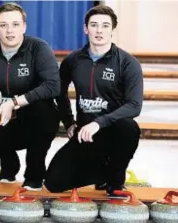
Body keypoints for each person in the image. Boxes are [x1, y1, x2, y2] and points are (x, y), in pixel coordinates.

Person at [44, 5, 143, 196]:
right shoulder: (73, 60)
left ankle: (115, 178)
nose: (99, 30)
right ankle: (102, 173)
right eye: (94, 25)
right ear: (85, 28)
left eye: (105, 26)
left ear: (113, 29)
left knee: (129, 128)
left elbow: (134, 105)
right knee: (54, 183)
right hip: (85, 134)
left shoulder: (127, 63)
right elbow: (58, 91)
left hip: (113, 131)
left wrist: (99, 123)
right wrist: (69, 122)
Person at [0, 2, 60, 191]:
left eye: (15, 24)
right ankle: (9, 165)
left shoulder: (39, 48)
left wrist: (15, 102)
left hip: (34, 118)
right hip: (2, 118)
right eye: (3, 25)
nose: (10, 30)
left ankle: (34, 174)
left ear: (24, 26)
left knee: (43, 111)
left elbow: (53, 86)